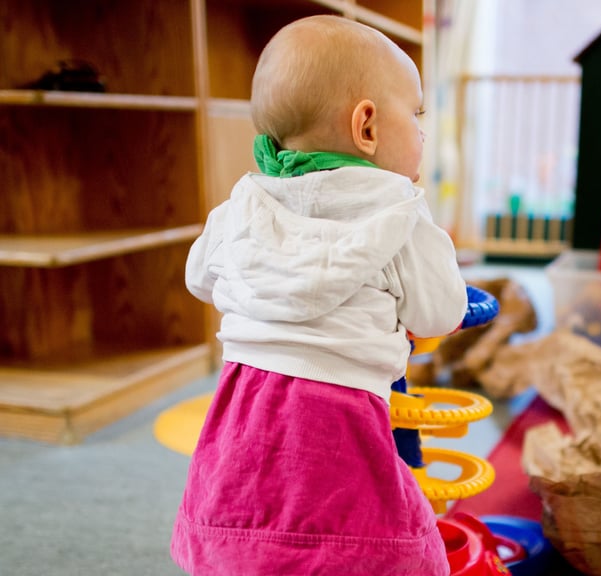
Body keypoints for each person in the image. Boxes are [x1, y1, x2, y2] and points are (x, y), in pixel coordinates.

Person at [170, 15, 466, 576]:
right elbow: (440, 311)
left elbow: (199, 279)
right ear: (368, 128)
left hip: (245, 413)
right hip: (339, 423)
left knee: (248, 536)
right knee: (374, 542)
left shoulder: (242, 205)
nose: (422, 131)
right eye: (417, 114)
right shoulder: (400, 215)